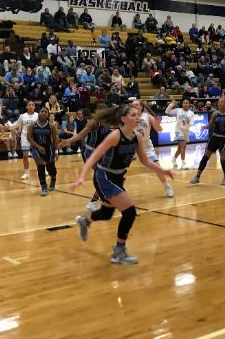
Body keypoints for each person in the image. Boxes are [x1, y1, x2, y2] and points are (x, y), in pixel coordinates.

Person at [71, 105, 174, 265]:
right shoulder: (115, 135)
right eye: (133, 115)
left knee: (106, 213)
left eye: (138, 114)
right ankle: (119, 251)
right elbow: (93, 157)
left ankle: (85, 221)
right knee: (130, 212)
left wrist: (163, 170)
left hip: (119, 177)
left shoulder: (137, 137)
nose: (138, 117)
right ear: (123, 119)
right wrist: (82, 177)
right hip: (105, 176)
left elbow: (145, 160)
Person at [60, 103, 109, 212]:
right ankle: (98, 201)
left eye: (104, 108)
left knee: (105, 177)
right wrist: (67, 141)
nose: (103, 110)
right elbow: (80, 135)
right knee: (102, 176)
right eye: (100, 108)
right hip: (91, 152)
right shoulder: (94, 122)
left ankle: (96, 201)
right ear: (95, 111)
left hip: (102, 152)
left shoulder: (109, 121)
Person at [190, 96, 225, 186]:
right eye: (218, 102)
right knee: (205, 157)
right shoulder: (214, 114)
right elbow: (209, 124)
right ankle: (197, 176)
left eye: (221, 102)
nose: (219, 103)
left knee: (223, 160)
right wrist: (205, 127)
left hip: (224, 138)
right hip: (214, 137)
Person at [132, 99, 174, 197]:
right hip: (131, 145)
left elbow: (159, 130)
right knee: (121, 170)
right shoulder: (128, 117)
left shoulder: (147, 116)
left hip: (146, 145)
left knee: (157, 166)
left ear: (141, 107)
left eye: (136, 105)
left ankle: (166, 186)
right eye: (132, 105)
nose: (134, 106)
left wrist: (157, 123)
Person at [27, 107, 59, 196]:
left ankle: (53, 179)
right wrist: (38, 146)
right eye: (42, 111)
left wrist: (56, 151)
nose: (44, 113)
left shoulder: (51, 126)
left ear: (48, 114)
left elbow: (56, 139)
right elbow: (29, 137)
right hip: (36, 148)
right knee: (40, 167)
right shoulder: (33, 125)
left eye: (46, 112)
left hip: (49, 148)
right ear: (39, 113)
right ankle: (44, 186)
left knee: (51, 168)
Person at [11, 101, 39, 179]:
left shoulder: (38, 115)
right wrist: (9, 126)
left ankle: (43, 169)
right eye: (29, 105)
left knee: (39, 156)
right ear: (26, 107)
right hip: (25, 137)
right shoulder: (22, 116)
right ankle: (26, 173)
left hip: (35, 137)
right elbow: (16, 124)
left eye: (33, 105)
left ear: (34, 106)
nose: (31, 106)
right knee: (25, 156)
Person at [165, 99, 196, 170]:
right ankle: (183, 163)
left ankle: (174, 159)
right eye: (184, 103)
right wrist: (172, 104)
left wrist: (187, 123)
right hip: (178, 130)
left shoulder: (191, 113)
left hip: (186, 131)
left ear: (189, 104)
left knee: (180, 148)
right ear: (182, 104)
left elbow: (191, 124)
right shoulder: (178, 110)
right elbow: (167, 111)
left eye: (187, 103)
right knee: (183, 146)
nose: (185, 104)